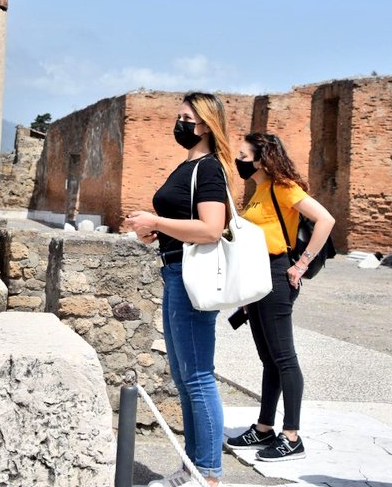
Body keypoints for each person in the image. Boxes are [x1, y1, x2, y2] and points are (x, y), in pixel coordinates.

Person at [124, 92, 236, 487]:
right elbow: (182, 223)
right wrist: (154, 231)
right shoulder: (186, 166)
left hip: (191, 277)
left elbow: (210, 228)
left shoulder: (208, 169)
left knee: (199, 376)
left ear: (205, 124)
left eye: (186, 117)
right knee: (184, 374)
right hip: (174, 270)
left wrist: (156, 218)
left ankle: (208, 473)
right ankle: (192, 468)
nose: (180, 123)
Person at [224, 132, 335, 462]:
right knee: (268, 358)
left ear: (259, 159)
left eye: (243, 155)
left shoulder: (283, 186)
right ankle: (263, 427)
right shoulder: (257, 190)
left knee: (284, 357)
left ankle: (292, 435)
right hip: (256, 276)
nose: (238, 161)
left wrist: (301, 264)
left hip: (276, 273)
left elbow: (325, 220)